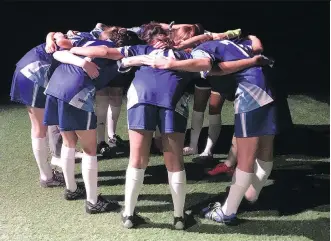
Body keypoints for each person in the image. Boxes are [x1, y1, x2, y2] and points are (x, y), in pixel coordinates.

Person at [69, 22, 265, 229]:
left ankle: (128, 214)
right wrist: (249, 59)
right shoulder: (190, 55)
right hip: (172, 99)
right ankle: (179, 217)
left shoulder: (143, 49)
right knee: (174, 161)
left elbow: (106, 51)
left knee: (137, 158)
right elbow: (215, 67)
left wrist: (74, 50)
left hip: (141, 96)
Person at [141, 39, 276, 225]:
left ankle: (228, 212)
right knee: (265, 148)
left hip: (250, 91)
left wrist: (172, 63)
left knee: (246, 158)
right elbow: (256, 44)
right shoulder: (234, 42)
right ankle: (251, 196)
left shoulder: (201, 50)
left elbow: (206, 65)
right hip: (266, 86)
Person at [43, 29, 140, 214]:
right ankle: (93, 201)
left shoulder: (84, 42)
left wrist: (78, 57)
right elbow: (122, 58)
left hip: (54, 88)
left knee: (69, 142)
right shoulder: (114, 52)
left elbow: (57, 51)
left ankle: (71, 189)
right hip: (76, 91)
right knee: (90, 150)